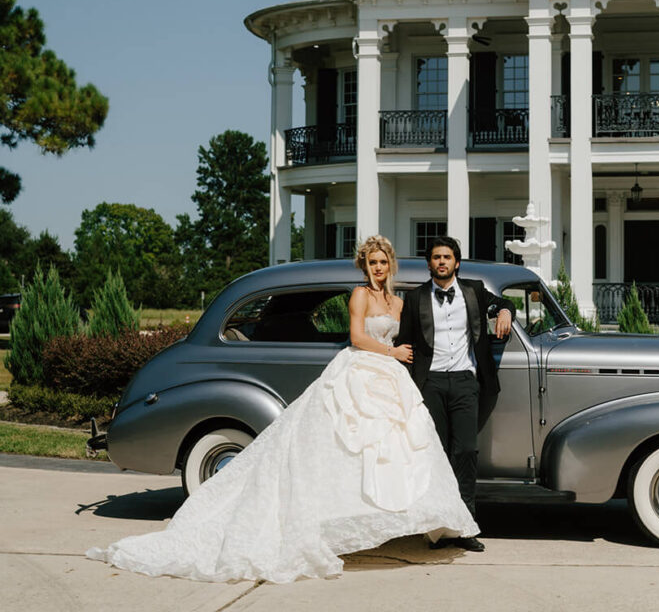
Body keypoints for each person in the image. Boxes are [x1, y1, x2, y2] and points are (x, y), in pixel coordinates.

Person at [86, 236, 478, 583]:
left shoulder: (400, 300)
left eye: (383, 262)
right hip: (360, 370)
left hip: (390, 378)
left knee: (397, 448)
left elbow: (420, 335)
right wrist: (391, 351)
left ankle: (418, 520)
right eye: (372, 262)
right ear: (365, 266)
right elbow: (358, 336)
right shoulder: (360, 295)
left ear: (390, 265)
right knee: (345, 445)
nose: (378, 268)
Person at [395, 235, 514, 552]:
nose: (442, 262)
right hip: (431, 382)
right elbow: (405, 343)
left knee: (465, 452)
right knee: (437, 455)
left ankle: (464, 527)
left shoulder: (473, 290)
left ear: (456, 262)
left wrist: (504, 312)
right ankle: (439, 529)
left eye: (447, 257)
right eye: (436, 257)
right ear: (429, 263)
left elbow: (503, 302)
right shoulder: (417, 297)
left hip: (465, 380)